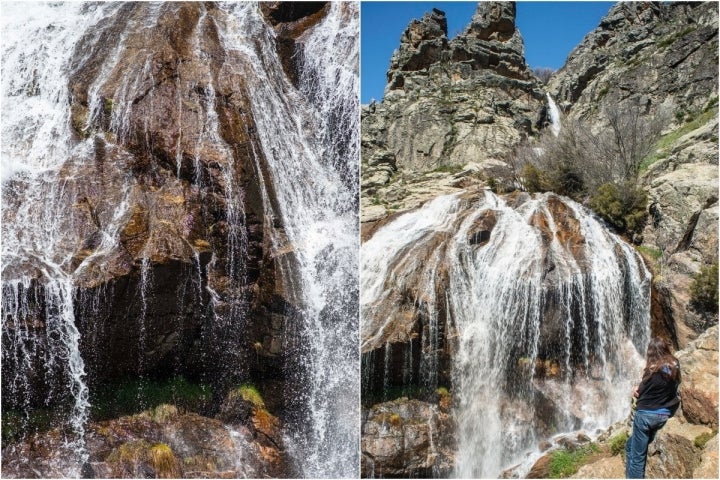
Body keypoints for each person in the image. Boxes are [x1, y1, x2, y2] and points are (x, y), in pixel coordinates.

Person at [625, 336, 681, 478]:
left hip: (645, 417)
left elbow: (639, 393)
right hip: (663, 415)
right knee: (629, 445)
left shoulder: (651, 371)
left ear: (650, 352)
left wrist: (636, 390)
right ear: (665, 348)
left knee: (637, 459)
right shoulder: (675, 364)